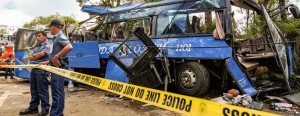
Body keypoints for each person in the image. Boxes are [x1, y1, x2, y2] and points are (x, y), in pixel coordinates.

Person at [40, 19, 73, 116]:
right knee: (55, 91)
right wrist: (48, 61)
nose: (49, 30)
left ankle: (56, 114)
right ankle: (58, 113)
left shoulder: (60, 37)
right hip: (54, 67)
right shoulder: (55, 38)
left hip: (59, 68)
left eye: (50, 27)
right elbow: (54, 53)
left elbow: (69, 47)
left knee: (57, 93)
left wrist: (56, 57)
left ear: (53, 27)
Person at [20, 31, 50, 116]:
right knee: (34, 90)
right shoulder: (37, 45)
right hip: (34, 68)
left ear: (45, 37)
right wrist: (31, 56)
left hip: (42, 70)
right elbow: (32, 55)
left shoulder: (47, 45)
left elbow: (41, 54)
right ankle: (33, 108)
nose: (37, 37)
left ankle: (45, 109)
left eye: (39, 36)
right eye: (36, 36)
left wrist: (31, 57)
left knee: (42, 90)